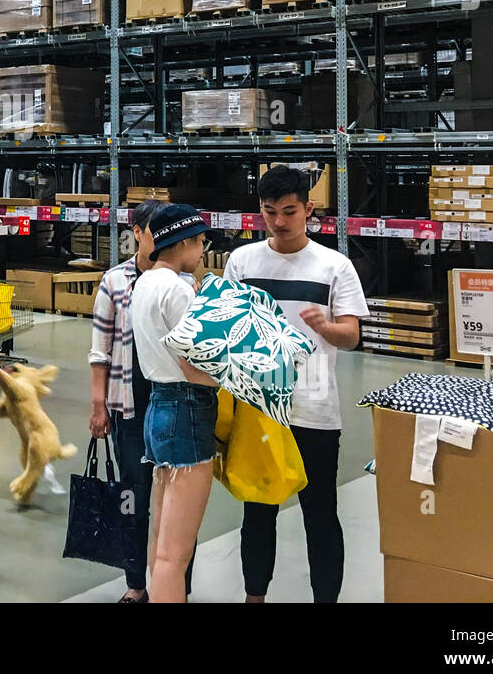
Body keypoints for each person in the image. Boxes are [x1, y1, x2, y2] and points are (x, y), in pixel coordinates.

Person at [223, 165, 367, 604]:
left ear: (309, 208)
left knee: (320, 515)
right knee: (258, 511)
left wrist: (325, 326)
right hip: (259, 409)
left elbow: (352, 334)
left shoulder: (333, 266)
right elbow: (225, 325)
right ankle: (254, 597)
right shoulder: (242, 262)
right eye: (270, 213)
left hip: (314, 409)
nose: (280, 222)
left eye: (289, 211)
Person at [88, 199, 194, 603]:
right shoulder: (115, 282)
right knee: (133, 497)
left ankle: (178, 584)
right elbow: (100, 349)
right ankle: (136, 584)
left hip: (173, 406)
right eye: (154, 230)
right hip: (129, 407)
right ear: (137, 233)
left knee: (178, 505)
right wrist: (99, 405)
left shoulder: (185, 283)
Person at [129, 204, 218, 604]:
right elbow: (192, 362)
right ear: (182, 241)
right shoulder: (179, 288)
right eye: (200, 242)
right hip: (187, 409)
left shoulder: (144, 282)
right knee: (174, 556)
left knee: (161, 543)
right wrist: (233, 380)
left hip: (158, 407)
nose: (203, 250)